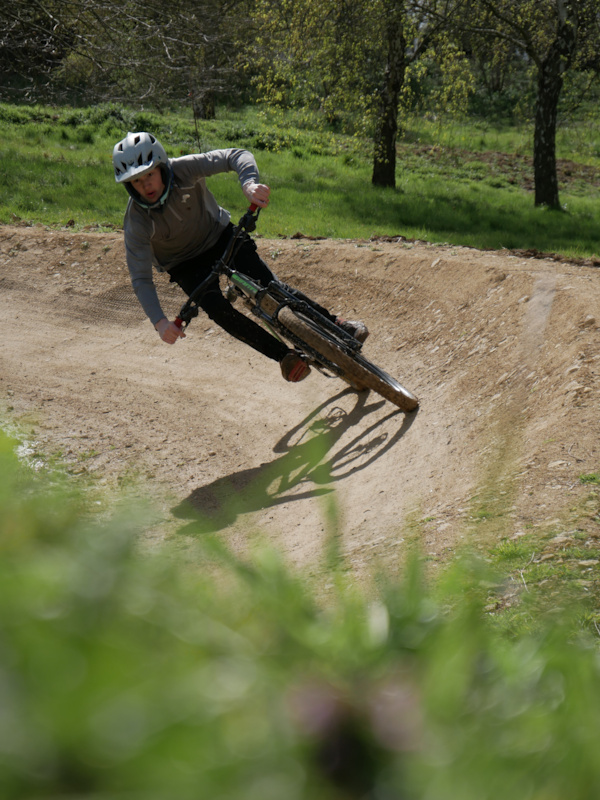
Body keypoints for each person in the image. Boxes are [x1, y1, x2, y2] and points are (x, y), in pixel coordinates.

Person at [112, 131, 368, 382]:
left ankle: (337, 324)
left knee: (271, 286)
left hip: (219, 235)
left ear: (161, 166)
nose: (145, 185)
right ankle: (284, 357)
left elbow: (235, 155)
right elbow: (141, 278)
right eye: (136, 181)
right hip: (183, 264)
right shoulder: (136, 221)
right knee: (219, 311)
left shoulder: (184, 169)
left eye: (149, 175)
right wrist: (159, 322)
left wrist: (249, 184)